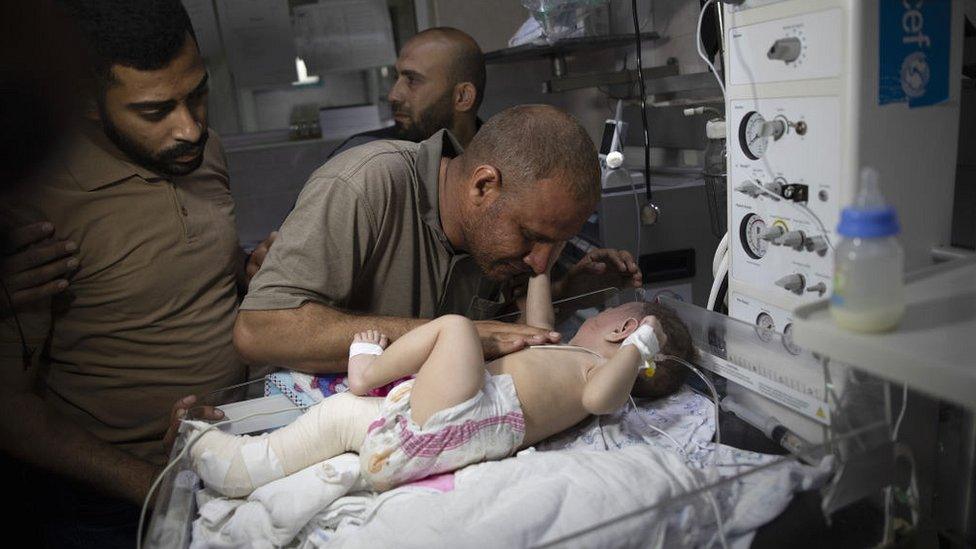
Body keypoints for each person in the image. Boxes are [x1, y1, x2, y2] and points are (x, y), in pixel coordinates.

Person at [0, 1, 271, 546]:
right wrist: (162, 488)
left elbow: (177, 274)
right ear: (86, 101)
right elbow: (12, 413)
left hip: (231, 458)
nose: (190, 127)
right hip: (110, 506)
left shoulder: (205, 153)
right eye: (155, 111)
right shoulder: (36, 205)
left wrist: (251, 272)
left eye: (197, 93)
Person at [188, 250, 693, 497]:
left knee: (455, 329)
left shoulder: (599, 372)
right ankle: (237, 466)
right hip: (435, 434)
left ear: (624, 329)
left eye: (612, 316)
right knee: (341, 418)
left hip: (476, 417)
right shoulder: (567, 356)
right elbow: (538, 327)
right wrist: (539, 267)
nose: (595, 316)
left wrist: (638, 347)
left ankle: (365, 373)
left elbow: (603, 399)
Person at [236, 104, 643, 374]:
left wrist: (569, 290)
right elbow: (260, 330)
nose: (540, 260)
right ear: (484, 186)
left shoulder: (501, 240)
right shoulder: (366, 184)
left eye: (556, 245)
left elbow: (508, 329)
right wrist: (457, 334)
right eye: (533, 237)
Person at [327, 27, 486, 159]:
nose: (393, 95)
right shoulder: (363, 157)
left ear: (463, 97)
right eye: (396, 77)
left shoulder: (502, 157)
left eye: (412, 80)